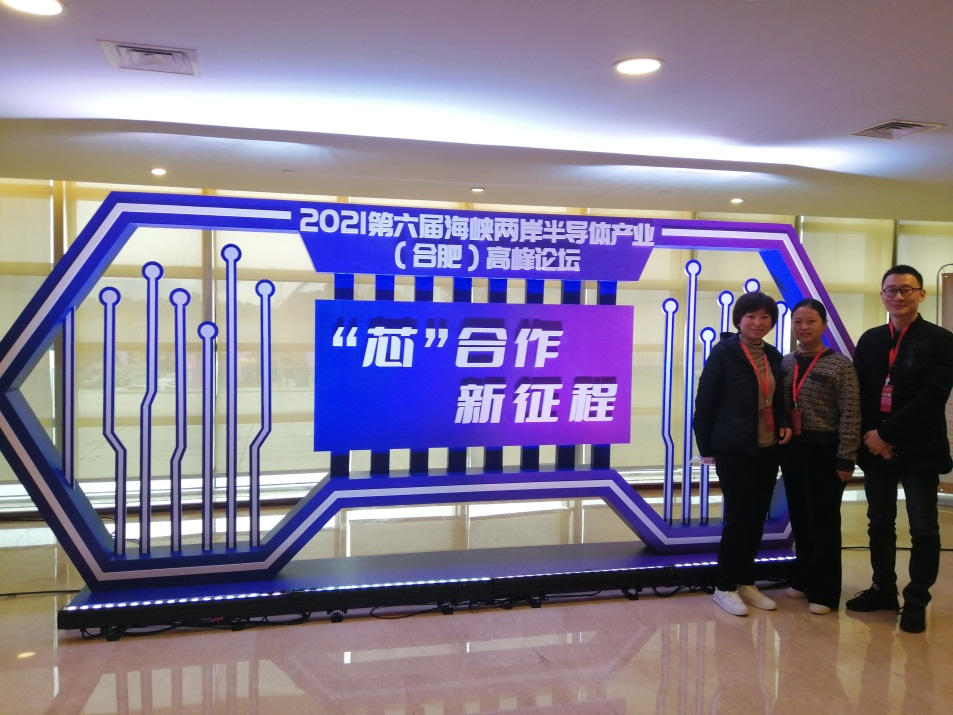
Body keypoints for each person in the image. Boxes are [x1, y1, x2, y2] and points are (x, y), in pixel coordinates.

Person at [847, 265, 953, 633]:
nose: (899, 296)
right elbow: (860, 394)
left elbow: (932, 397)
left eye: (907, 289)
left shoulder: (941, 340)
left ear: (921, 294)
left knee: (923, 527)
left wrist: (886, 434)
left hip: (919, 449)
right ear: (882, 296)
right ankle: (883, 589)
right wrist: (871, 437)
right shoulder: (871, 339)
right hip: (875, 449)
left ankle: (917, 599)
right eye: (891, 290)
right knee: (880, 523)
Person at [694, 291, 793, 617]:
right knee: (739, 518)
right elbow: (705, 403)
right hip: (733, 449)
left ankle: (746, 581)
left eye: (765, 317)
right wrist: (707, 449)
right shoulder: (724, 353)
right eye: (751, 316)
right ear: (739, 320)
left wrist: (783, 423)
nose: (758, 322)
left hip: (767, 448)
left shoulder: (774, 355)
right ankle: (724, 586)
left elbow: (778, 401)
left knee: (756, 518)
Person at [779, 298, 861, 615]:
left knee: (824, 521)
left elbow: (851, 414)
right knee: (801, 517)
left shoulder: (840, 365)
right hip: (793, 450)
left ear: (823, 325)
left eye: (811, 321)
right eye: (798, 321)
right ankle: (804, 577)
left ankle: (825, 592)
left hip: (825, 452)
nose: (804, 327)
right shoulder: (786, 362)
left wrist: (846, 459)